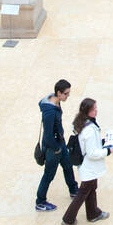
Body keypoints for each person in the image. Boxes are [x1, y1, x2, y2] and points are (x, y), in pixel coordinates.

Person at [61, 97, 112, 225]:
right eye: (94, 109)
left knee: (91, 187)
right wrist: (108, 151)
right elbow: (92, 153)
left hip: (87, 166)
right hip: (89, 166)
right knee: (83, 192)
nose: (96, 111)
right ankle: (68, 219)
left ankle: (93, 213)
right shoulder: (89, 130)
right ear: (87, 111)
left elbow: (90, 145)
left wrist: (102, 142)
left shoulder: (83, 123)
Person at [35, 79, 79, 212]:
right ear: (58, 93)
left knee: (67, 165)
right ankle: (40, 201)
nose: (68, 96)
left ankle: (73, 190)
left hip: (59, 142)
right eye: (66, 94)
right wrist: (57, 149)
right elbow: (48, 135)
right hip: (53, 147)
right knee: (49, 174)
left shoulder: (54, 100)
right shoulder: (50, 112)